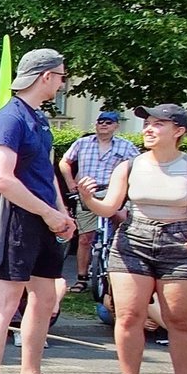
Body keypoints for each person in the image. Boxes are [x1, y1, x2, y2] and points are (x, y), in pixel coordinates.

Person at [73, 104, 187, 374]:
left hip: (180, 241)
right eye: (147, 124)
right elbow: (110, 207)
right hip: (134, 238)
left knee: (178, 318)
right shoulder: (130, 166)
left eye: (158, 124)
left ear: (179, 131)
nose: (149, 129)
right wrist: (89, 199)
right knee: (128, 316)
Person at [0, 49, 79, 374]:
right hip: (17, 220)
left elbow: (47, 171)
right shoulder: (9, 119)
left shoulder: (39, 118)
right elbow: (3, 179)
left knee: (44, 297)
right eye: (61, 75)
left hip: (42, 217)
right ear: (45, 77)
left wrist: (61, 213)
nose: (63, 81)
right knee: (5, 301)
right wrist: (49, 214)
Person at [61, 110, 139, 286]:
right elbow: (65, 162)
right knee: (84, 238)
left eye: (109, 122)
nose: (104, 124)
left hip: (112, 193)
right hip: (87, 193)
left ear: (116, 126)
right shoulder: (82, 143)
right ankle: (81, 279)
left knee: (123, 226)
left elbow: (140, 166)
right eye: (101, 121)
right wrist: (70, 182)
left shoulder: (125, 146)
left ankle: (122, 270)